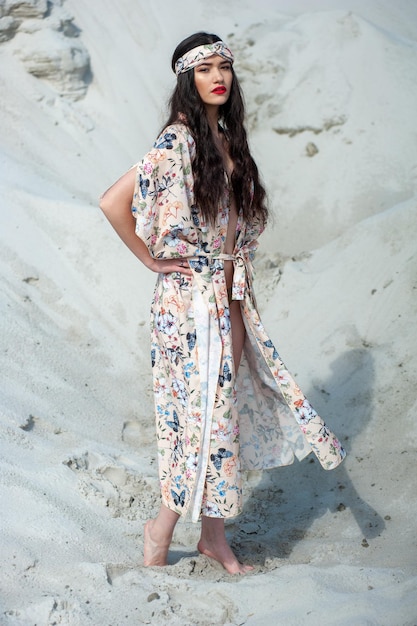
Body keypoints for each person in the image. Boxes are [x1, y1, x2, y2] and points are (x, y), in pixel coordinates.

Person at [100, 32, 346, 575]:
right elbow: (112, 201)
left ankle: (213, 537)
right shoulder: (178, 142)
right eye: (205, 68)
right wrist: (151, 260)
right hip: (190, 301)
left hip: (230, 300)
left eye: (225, 67)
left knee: (221, 417)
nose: (218, 76)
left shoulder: (228, 140)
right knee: (200, 419)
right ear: (187, 78)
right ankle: (161, 526)